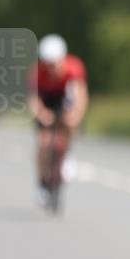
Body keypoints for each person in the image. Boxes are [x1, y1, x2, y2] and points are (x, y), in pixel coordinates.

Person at [27, 34, 88, 206]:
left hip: (64, 99)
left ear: (63, 59)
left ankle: (66, 155)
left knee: (70, 124)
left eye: (55, 64)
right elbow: (33, 99)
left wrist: (76, 114)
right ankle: (41, 184)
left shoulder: (74, 68)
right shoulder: (37, 72)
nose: (52, 68)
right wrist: (40, 114)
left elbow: (80, 95)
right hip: (45, 99)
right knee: (43, 143)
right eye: (48, 64)